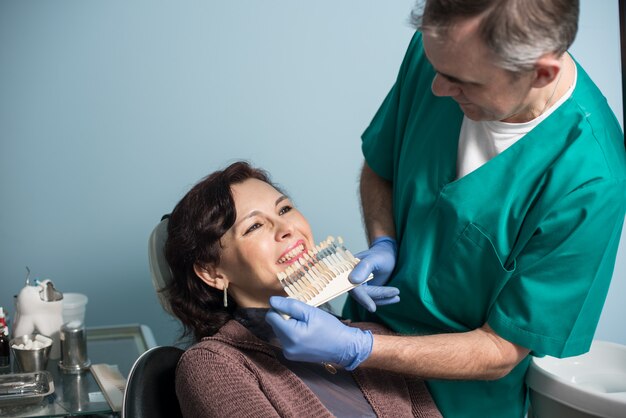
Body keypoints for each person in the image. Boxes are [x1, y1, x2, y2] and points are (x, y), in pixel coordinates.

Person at [265, 1, 626, 417]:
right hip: (359, 356)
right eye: (436, 66)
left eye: (459, 81)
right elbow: (382, 166)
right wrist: (385, 240)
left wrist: (358, 348)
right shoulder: (440, 53)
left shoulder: (590, 182)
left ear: (541, 72)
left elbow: (500, 348)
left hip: (460, 399)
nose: (436, 88)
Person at [162, 161, 442, 418]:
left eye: (284, 209)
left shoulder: (374, 339)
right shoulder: (213, 366)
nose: (286, 228)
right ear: (212, 272)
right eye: (255, 226)